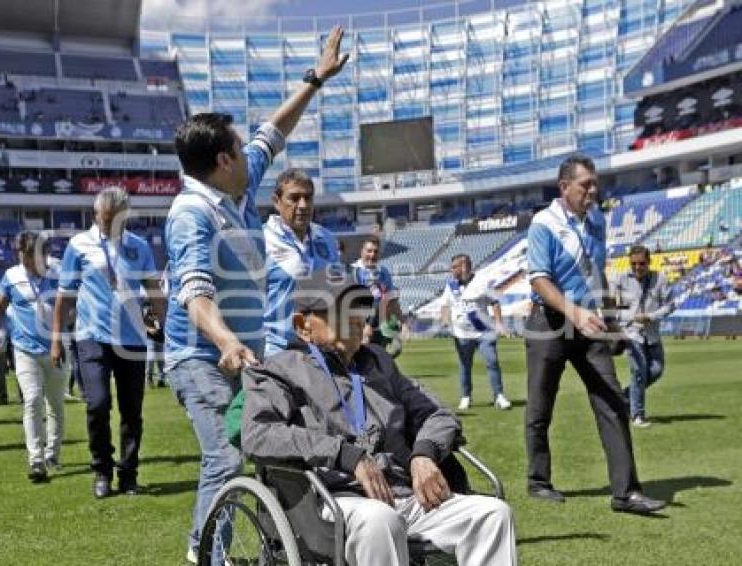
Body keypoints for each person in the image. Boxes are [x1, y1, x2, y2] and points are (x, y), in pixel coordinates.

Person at [163, 26, 349, 563]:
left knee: (275, 448)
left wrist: (316, 78)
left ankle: (283, 549)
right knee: (225, 457)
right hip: (200, 357)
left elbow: (276, 130)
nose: (250, 152)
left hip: (247, 353)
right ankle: (207, 558)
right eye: (240, 148)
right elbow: (194, 295)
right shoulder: (192, 213)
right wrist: (223, 340)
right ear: (223, 160)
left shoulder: (236, 191)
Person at [241, 269, 517, 566]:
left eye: (358, 308)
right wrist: (345, 455)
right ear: (302, 326)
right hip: (331, 500)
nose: (357, 318)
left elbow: (437, 413)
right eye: (339, 311)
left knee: (493, 514)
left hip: (404, 493)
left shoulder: (379, 363)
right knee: (380, 519)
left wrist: (424, 454)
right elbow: (258, 433)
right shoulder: (279, 371)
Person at [524, 155, 666, 514]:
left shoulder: (598, 220)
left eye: (595, 183)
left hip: (590, 325)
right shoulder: (544, 223)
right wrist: (574, 311)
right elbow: (539, 279)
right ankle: (538, 481)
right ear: (564, 187)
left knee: (612, 403)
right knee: (541, 407)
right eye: (585, 184)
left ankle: (626, 492)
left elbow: (595, 271)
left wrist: (607, 317)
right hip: (551, 323)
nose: (593, 190)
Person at [52, 187, 165, 498]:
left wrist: (162, 321)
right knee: (98, 403)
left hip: (132, 339)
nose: (112, 224)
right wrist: (56, 339)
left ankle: (128, 474)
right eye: (106, 218)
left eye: (118, 218)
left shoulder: (139, 246)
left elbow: (153, 288)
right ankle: (101, 469)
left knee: (132, 410)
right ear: (96, 215)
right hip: (92, 336)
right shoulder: (79, 245)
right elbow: (64, 297)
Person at [0, 231, 66, 482]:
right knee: (32, 400)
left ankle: (52, 454)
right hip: (24, 349)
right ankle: (36, 460)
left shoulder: (59, 271)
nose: (28, 262)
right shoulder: (11, 276)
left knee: (55, 404)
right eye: (24, 257)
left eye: (32, 257)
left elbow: (68, 306)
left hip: (57, 348)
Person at [263, 167, 340, 357]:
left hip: (320, 352)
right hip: (276, 351)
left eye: (308, 197)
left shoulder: (327, 238)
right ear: (276, 201)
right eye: (294, 198)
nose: (303, 205)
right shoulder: (260, 240)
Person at [439, 254, 512, 411]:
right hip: (462, 334)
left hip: (483, 331)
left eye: (454, 267)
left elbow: (495, 302)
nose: (451, 270)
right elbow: (445, 305)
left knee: (492, 362)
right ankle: (466, 396)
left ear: (464, 266)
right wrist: (445, 321)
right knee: (465, 365)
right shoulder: (450, 285)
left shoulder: (482, 281)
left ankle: (499, 396)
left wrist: (499, 323)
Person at [614, 245, 674, 427]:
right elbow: (613, 310)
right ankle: (637, 416)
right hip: (632, 334)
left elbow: (670, 305)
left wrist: (651, 316)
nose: (637, 267)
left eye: (641, 263)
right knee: (638, 373)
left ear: (649, 262)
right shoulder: (621, 280)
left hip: (652, 334)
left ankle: (624, 397)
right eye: (633, 263)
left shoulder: (661, 279)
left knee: (656, 370)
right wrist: (630, 319)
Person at [352, 236, 403, 353]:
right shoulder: (353, 271)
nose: (372, 254)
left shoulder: (383, 272)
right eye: (369, 251)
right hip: (359, 324)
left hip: (380, 324)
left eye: (375, 251)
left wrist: (401, 322)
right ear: (362, 251)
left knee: (384, 354)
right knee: (362, 357)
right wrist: (365, 325)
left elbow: (392, 299)